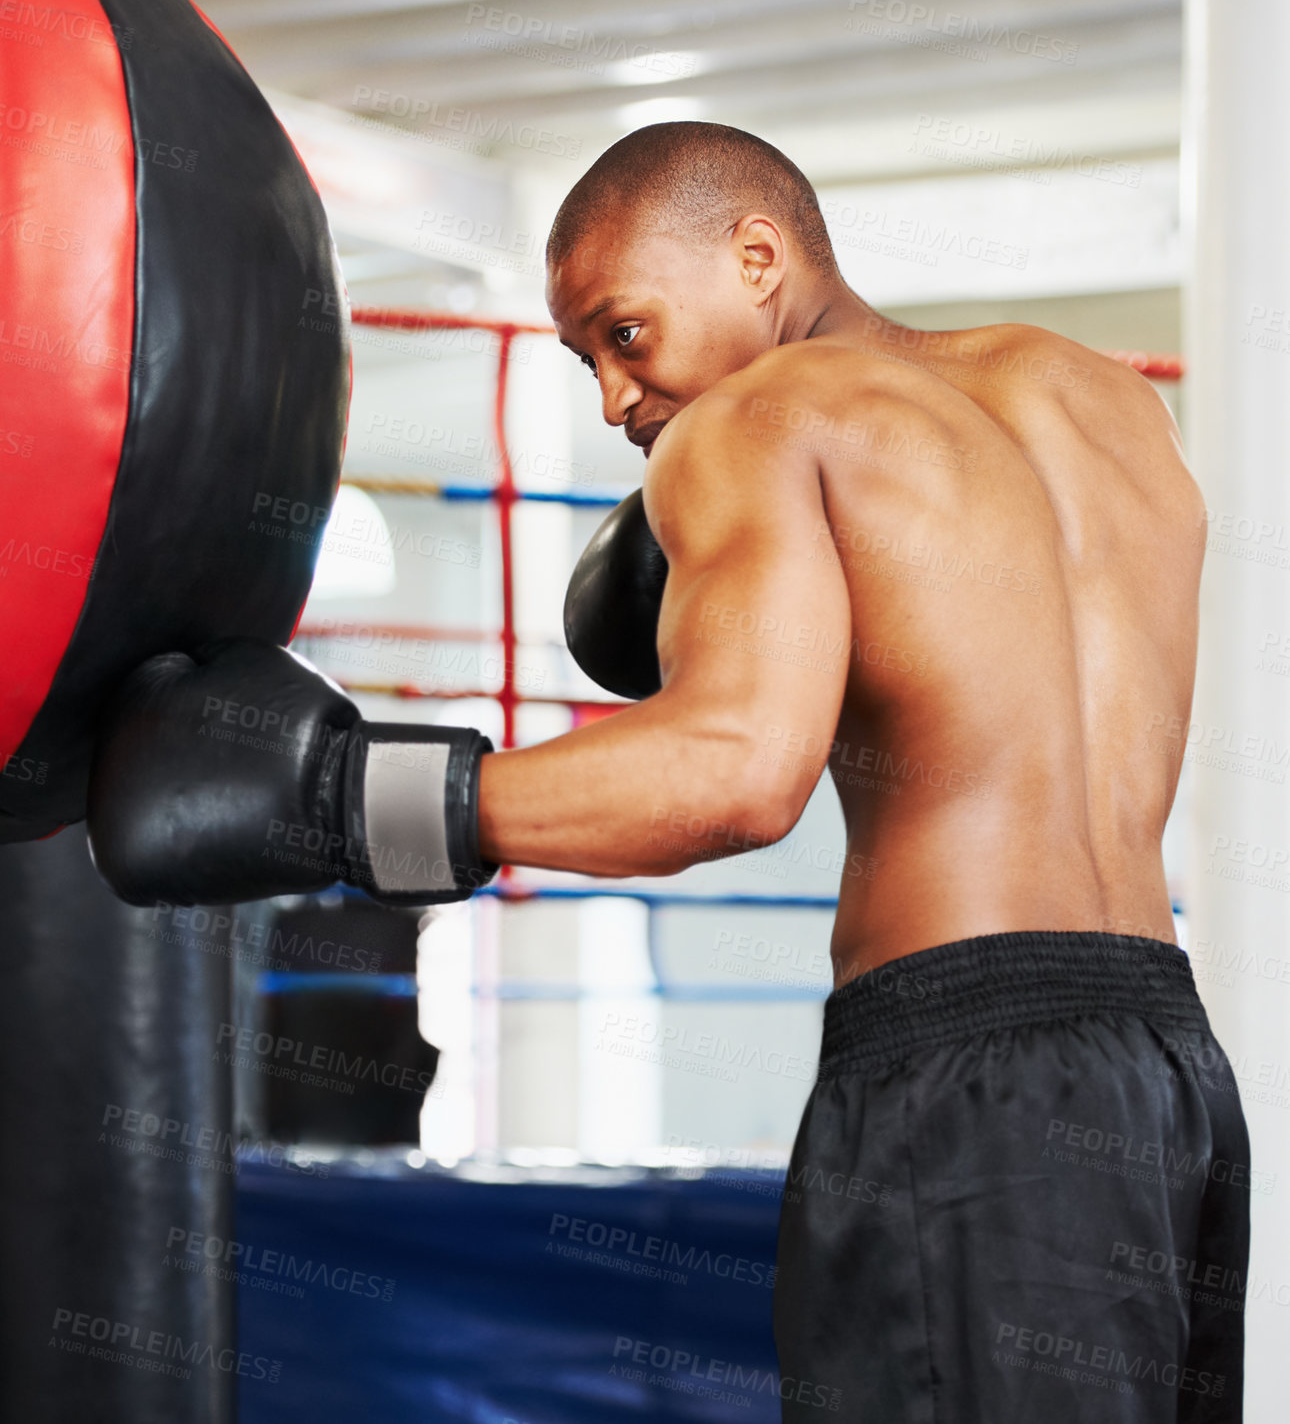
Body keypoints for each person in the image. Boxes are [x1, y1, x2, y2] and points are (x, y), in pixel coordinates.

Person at [89, 122, 1248, 1422]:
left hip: (963, 1073)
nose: (611, 399)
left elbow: (734, 769)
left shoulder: (760, 420)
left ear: (758, 258)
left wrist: (344, 799)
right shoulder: (1105, 406)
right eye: (583, 357)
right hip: (1167, 1070)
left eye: (622, 333)